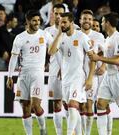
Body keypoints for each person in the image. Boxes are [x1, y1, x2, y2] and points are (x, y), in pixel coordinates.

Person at [88, 12, 119, 135]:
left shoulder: (118, 38)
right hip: (108, 76)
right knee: (100, 104)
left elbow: (118, 60)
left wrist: (98, 58)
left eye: (103, 21)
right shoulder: (108, 38)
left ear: (108, 23)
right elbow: (105, 54)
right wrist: (95, 55)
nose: (101, 23)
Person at [48, 12, 95, 135]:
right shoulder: (61, 37)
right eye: (60, 23)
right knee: (70, 109)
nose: (61, 25)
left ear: (71, 23)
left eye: (64, 22)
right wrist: (58, 34)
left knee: (73, 104)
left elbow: (93, 58)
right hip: (65, 78)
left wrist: (90, 78)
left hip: (78, 77)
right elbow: (51, 52)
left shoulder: (82, 37)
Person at [6, 10, 53, 135]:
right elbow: (14, 57)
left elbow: (55, 50)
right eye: (34, 21)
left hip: (37, 74)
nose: (37, 23)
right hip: (23, 75)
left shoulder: (45, 35)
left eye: (38, 20)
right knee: (26, 108)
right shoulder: (20, 38)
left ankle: (43, 129)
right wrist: (10, 76)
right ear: (27, 22)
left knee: (35, 106)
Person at [44, 4, 65, 135]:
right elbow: (47, 52)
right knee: (56, 104)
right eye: (56, 13)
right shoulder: (47, 32)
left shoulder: (75, 29)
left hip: (71, 71)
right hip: (53, 72)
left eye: (60, 14)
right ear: (52, 14)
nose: (58, 16)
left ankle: (72, 131)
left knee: (71, 104)